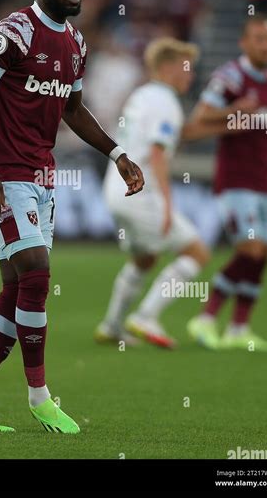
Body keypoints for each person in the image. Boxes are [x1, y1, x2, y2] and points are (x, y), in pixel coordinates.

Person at [0, 0, 144, 434]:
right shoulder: (14, 32)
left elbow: (72, 108)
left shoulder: (75, 43)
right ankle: (40, 398)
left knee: (16, 288)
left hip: (42, 177)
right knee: (35, 275)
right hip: (4, 173)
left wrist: (117, 154)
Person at [187, 14, 267, 351]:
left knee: (262, 254)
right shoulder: (229, 77)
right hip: (234, 181)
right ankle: (205, 318)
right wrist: (235, 110)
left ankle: (239, 328)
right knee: (249, 248)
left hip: (263, 181)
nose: (266, 46)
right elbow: (199, 118)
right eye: (259, 39)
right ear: (244, 43)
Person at [95, 38, 210, 349]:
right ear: (169, 68)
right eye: (187, 68)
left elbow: (176, 135)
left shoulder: (142, 95)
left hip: (115, 191)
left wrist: (226, 124)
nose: (190, 75)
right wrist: (169, 205)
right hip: (142, 193)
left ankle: (112, 325)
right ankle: (146, 315)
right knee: (197, 252)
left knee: (145, 258)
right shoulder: (166, 102)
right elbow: (158, 154)